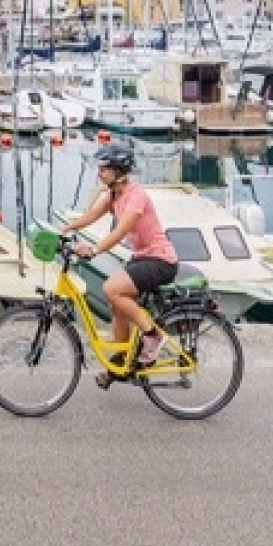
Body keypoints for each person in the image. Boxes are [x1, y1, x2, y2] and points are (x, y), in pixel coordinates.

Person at [56, 143, 178, 386]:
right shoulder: (113, 195)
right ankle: (123, 362)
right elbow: (90, 216)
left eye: (104, 168)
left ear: (119, 170)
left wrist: (94, 250)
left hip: (161, 260)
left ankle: (153, 335)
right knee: (117, 306)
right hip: (143, 258)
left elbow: (121, 232)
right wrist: (65, 228)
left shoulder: (136, 196)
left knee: (111, 289)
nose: (99, 173)